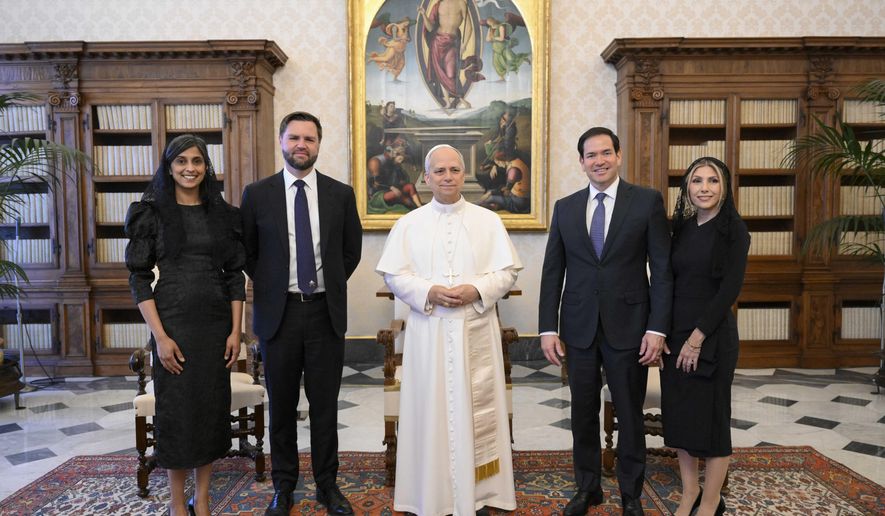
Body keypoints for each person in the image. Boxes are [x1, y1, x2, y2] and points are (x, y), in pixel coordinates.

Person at [376, 144, 521, 515]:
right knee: (431, 411)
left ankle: (483, 493)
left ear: (463, 174)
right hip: (430, 332)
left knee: (477, 410)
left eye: (454, 170)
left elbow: (506, 272)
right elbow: (394, 274)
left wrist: (477, 289)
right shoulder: (409, 223)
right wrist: (428, 291)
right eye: (439, 171)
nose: (447, 177)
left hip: (476, 328)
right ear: (426, 177)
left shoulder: (488, 221)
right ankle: (430, 493)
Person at [538, 127, 672, 516]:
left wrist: (657, 328)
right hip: (578, 329)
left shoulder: (646, 202)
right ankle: (588, 487)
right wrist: (548, 327)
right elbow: (552, 272)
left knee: (630, 413)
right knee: (582, 411)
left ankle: (631, 494)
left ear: (619, 155)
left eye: (605, 153)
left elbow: (661, 269)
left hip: (631, 327)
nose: (598, 161)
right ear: (581, 162)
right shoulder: (565, 207)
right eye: (590, 155)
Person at [240, 111, 363, 516]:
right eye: (294, 137)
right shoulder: (257, 194)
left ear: (318, 144)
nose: (301, 145)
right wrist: (276, 286)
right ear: (281, 141)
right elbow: (249, 253)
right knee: (282, 407)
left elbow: (350, 251)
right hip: (280, 316)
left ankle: (328, 486)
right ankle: (284, 487)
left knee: (326, 407)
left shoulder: (339, 194)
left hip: (325, 313)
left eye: (309, 139)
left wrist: (325, 287)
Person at [125, 134, 246, 516]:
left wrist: (236, 332)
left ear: (206, 166)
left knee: (211, 412)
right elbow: (139, 278)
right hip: (173, 325)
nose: (190, 168)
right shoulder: (152, 213)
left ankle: (204, 497)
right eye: (181, 162)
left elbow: (234, 277)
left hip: (215, 326)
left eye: (197, 161)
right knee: (177, 415)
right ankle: (178, 503)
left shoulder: (223, 214)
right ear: (169, 167)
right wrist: (159, 338)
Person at [661, 157, 750, 516]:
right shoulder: (681, 228)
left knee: (712, 422)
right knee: (680, 417)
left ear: (724, 187)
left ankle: (711, 502)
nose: (704, 187)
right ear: (687, 188)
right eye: (697, 181)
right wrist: (665, 332)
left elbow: (729, 290)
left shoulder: (735, 231)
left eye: (713, 181)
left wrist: (696, 339)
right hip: (676, 333)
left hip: (711, 336)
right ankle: (689, 491)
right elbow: (670, 282)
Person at [419, 0, 484, 109]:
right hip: (437, 41)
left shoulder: (461, 3)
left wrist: (465, 44)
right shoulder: (438, 5)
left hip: (452, 41)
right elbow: (430, 28)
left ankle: (461, 99)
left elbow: (469, 27)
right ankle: (448, 102)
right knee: (440, 73)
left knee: (451, 73)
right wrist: (423, 14)